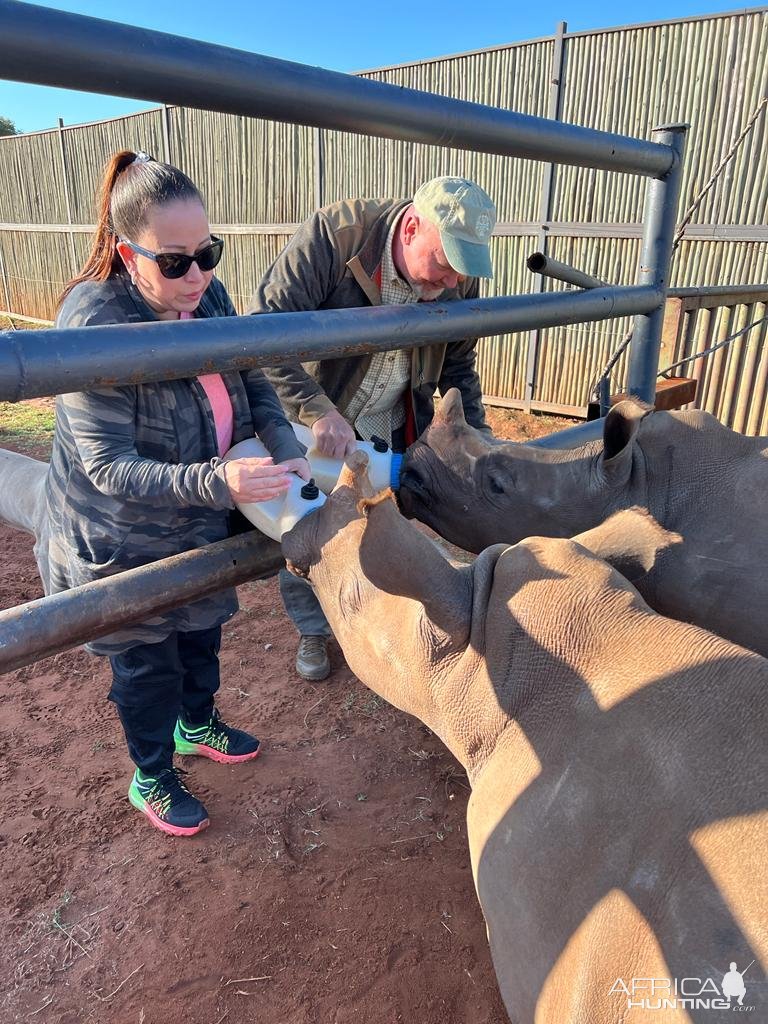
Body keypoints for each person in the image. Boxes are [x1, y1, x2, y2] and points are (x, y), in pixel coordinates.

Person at [42, 150, 310, 837]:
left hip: (197, 515)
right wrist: (217, 480)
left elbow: (250, 378)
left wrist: (285, 444)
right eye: (175, 261)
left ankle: (198, 722)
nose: (197, 276)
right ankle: (152, 774)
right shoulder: (95, 325)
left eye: (208, 253)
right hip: (122, 536)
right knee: (146, 661)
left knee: (202, 632)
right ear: (130, 255)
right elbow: (109, 467)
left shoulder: (207, 296)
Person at [249, 175, 496, 681]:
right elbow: (266, 328)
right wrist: (315, 408)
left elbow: (459, 365)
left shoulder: (457, 276)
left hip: (395, 412)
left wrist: (475, 437)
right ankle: (313, 627)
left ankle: (386, 619)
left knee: (391, 511)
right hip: (319, 414)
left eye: (462, 271)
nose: (453, 283)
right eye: (445, 263)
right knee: (311, 516)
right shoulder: (335, 237)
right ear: (410, 229)